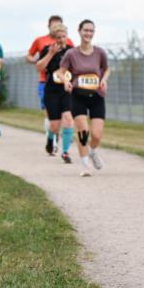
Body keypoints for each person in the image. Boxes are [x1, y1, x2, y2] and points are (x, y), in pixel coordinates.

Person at [61, 19, 110, 177]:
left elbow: (107, 70)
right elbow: (61, 72)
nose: (88, 33)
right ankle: (85, 166)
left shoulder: (100, 52)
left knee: (96, 135)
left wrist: (103, 80)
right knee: (83, 130)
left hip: (96, 96)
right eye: (85, 30)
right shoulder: (71, 54)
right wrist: (66, 81)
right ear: (79, 31)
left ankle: (93, 152)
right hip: (78, 95)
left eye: (91, 31)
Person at [28, 15, 75, 155]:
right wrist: (50, 54)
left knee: (68, 119)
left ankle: (65, 152)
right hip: (51, 90)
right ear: (54, 38)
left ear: (67, 36)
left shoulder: (72, 51)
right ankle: (50, 138)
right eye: (58, 37)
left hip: (66, 89)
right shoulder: (48, 49)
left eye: (64, 36)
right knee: (54, 125)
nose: (61, 39)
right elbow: (39, 67)